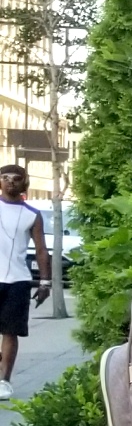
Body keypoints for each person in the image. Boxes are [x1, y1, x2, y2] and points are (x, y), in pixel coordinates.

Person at [0, 163, 49, 397]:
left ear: (24, 182)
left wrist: (45, 283)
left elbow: (41, 250)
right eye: (5, 177)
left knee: (10, 331)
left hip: (18, 280)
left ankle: (4, 380)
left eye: (16, 178)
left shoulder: (32, 214)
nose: (10, 181)